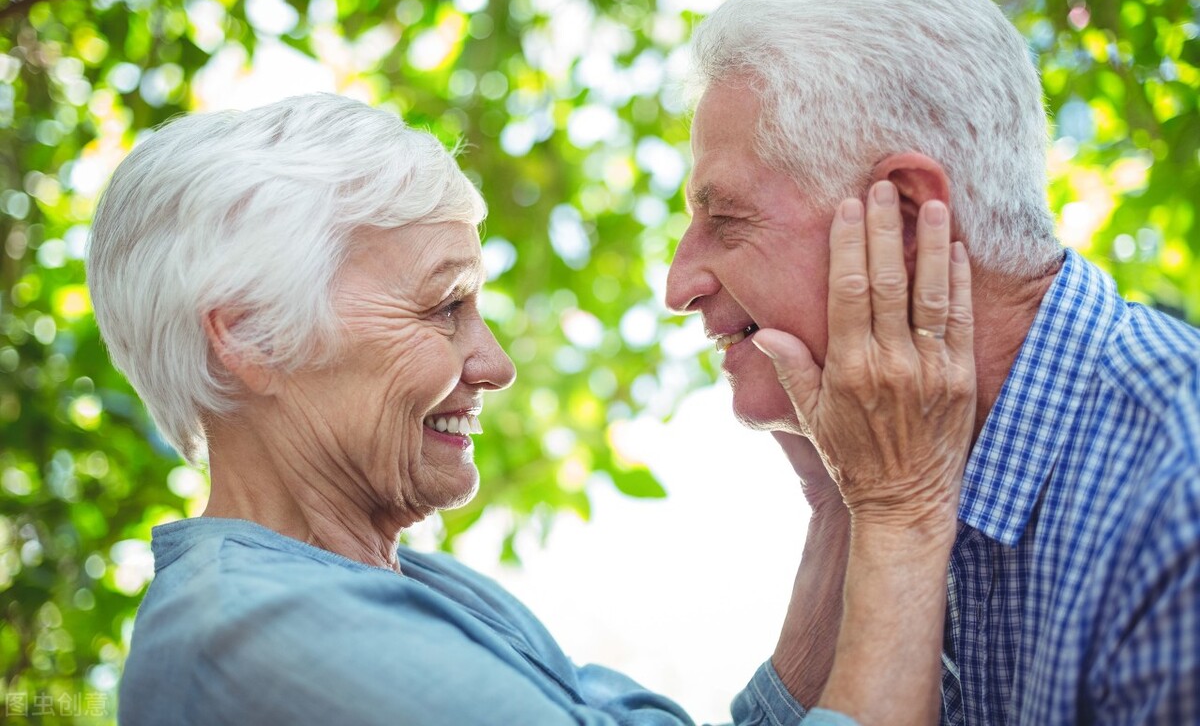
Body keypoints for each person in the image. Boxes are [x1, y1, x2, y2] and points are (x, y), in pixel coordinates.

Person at [89, 93, 975, 726]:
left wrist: (841, 509)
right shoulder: (253, 636)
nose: (495, 363)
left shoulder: (424, 589)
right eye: (443, 309)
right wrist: (904, 508)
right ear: (250, 339)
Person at [666, 0, 1200, 725]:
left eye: (727, 221)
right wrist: (850, 513)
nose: (679, 284)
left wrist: (889, 507)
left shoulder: (1179, 497)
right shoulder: (910, 459)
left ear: (908, 218)